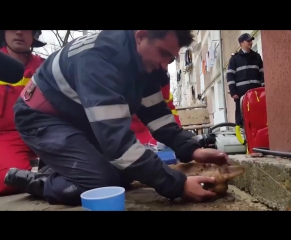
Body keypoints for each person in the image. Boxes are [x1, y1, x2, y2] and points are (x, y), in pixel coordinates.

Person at [5, 30, 230, 206]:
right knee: (101, 184)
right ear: (140, 36)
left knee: (125, 174)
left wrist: (192, 150)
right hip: (39, 117)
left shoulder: (142, 62)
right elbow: (119, 146)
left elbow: (157, 116)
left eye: (170, 59)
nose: (164, 66)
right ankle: (39, 182)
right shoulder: (100, 62)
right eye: (163, 53)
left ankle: (63, 167)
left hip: (75, 118)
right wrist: (178, 186)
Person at [0, 30, 46, 196]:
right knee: (10, 179)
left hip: (45, 133)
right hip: (6, 136)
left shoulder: (45, 66)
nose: (19, 32)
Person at [130, 70, 181, 145]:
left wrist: (177, 136)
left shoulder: (164, 90)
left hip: (156, 138)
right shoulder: (131, 87)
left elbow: (172, 115)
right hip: (136, 139)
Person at [226, 33, 264, 126]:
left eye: (251, 40)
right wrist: (233, 92)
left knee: (256, 114)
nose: (251, 42)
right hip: (240, 93)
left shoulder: (257, 57)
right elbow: (230, 76)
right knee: (241, 116)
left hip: (256, 92)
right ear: (241, 43)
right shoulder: (235, 59)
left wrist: (263, 87)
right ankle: (242, 136)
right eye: (248, 41)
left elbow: (262, 73)